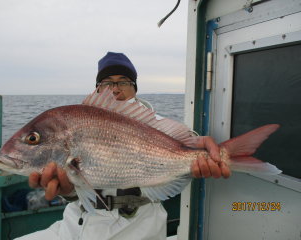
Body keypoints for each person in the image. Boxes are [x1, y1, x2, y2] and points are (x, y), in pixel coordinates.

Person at [18, 52, 231, 240]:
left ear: (134, 88)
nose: (116, 89)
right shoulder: (80, 122)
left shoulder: (153, 124)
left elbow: (181, 138)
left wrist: (197, 146)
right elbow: (76, 188)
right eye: (107, 83)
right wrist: (68, 191)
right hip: (75, 225)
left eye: (124, 82)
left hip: (137, 230)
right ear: (98, 88)